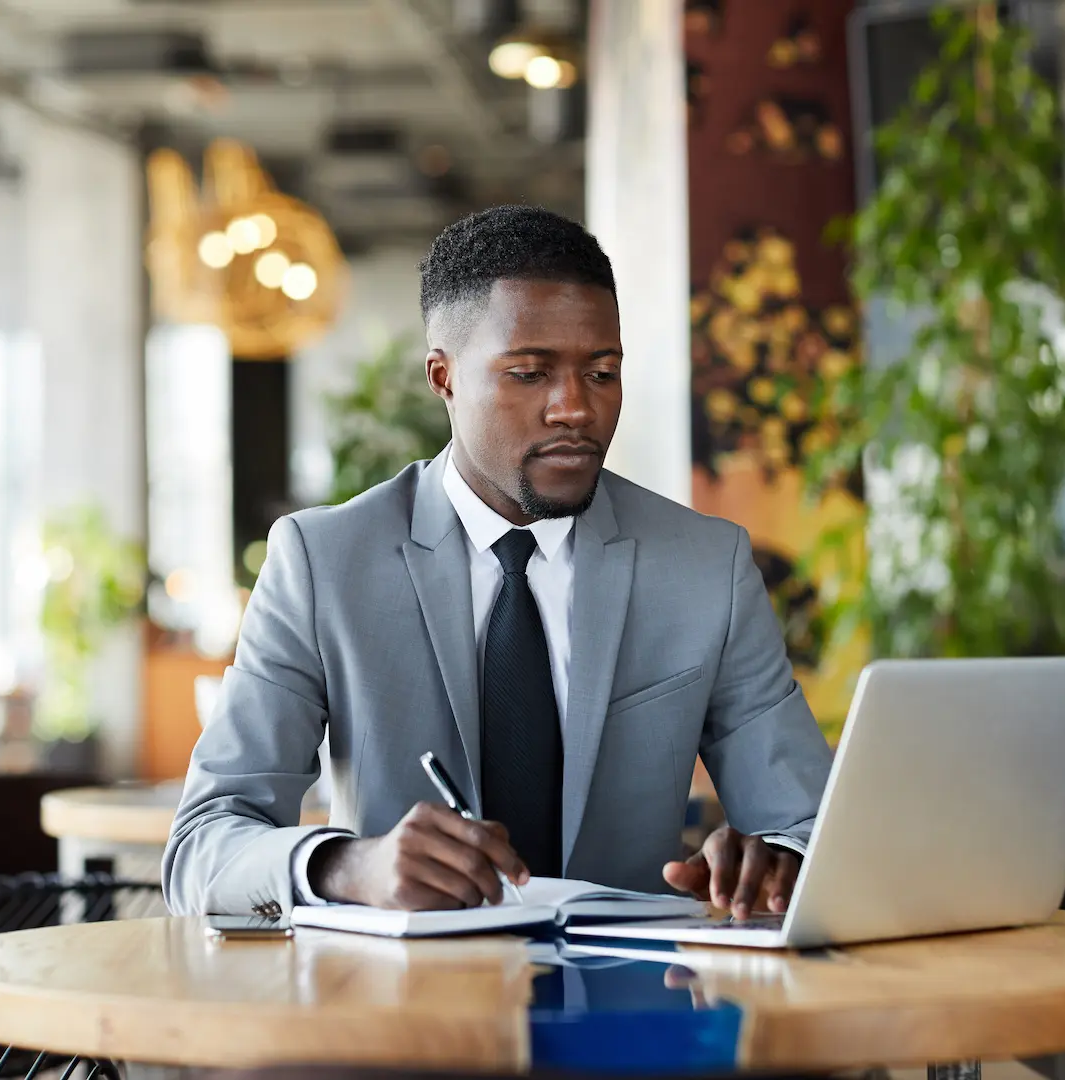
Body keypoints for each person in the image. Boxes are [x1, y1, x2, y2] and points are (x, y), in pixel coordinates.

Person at [163, 206, 833, 921]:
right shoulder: (323, 564)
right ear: (443, 377)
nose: (574, 408)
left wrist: (780, 861)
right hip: (398, 1013)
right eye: (528, 373)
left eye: (602, 372)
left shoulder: (706, 568)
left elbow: (814, 827)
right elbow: (202, 847)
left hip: (631, 1006)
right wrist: (350, 864)